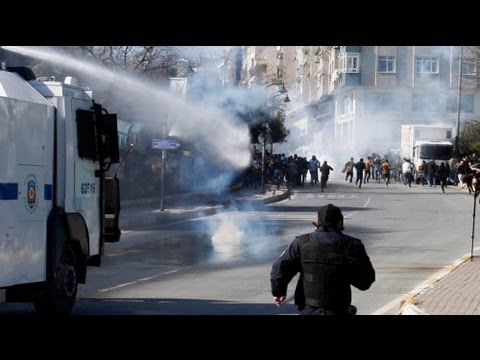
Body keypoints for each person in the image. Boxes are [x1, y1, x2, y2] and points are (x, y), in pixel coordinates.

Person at [270, 204, 376, 315]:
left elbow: (280, 267)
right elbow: (366, 281)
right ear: (340, 223)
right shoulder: (352, 245)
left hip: (308, 310)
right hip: (338, 310)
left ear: (317, 221)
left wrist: (278, 291)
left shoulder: (301, 242)